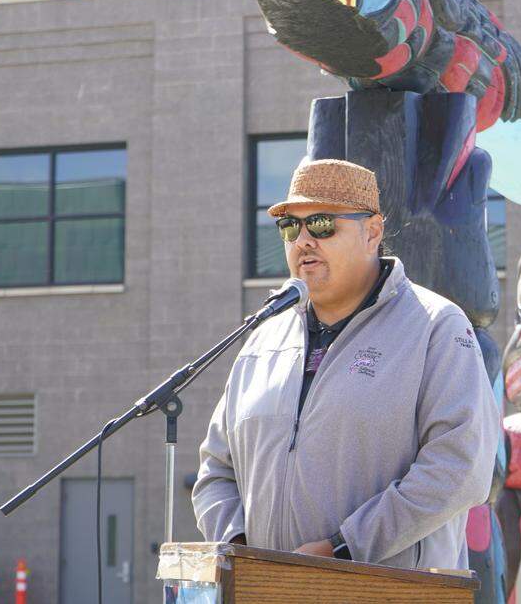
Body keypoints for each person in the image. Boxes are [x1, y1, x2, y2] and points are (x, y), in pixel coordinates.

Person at [192, 158, 500, 570]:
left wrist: (344, 548)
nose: (303, 240)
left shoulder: (436, 327)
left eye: (321, 224)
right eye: (290, 227)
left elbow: (460, 467)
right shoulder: (263, 339)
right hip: (266, 591)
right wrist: (240, 548)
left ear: (372, 232)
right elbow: (216, 469)